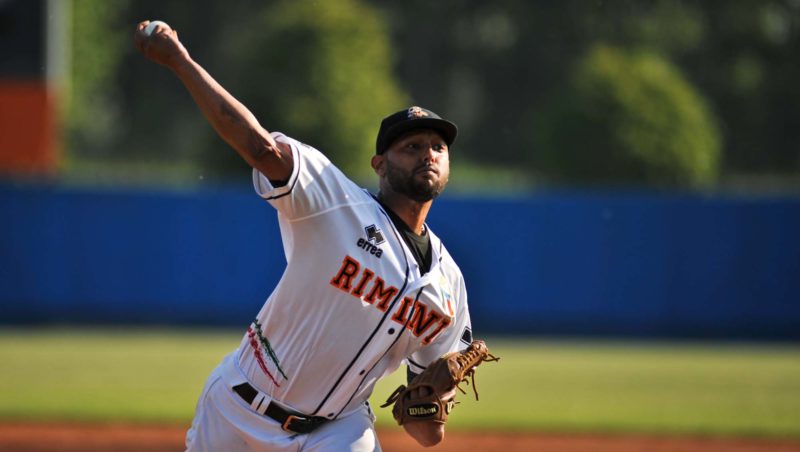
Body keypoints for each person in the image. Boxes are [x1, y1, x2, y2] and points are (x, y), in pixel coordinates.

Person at [135, 20, 474, 451]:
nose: (428, 154)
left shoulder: (449, 286)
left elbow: (426, 434)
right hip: (237, 409)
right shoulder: (335, 200)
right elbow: (259, 147)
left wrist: (432, 404)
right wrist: (181, 61)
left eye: (438, 147)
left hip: (339, 429)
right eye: (412, 147)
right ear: (379, 164)